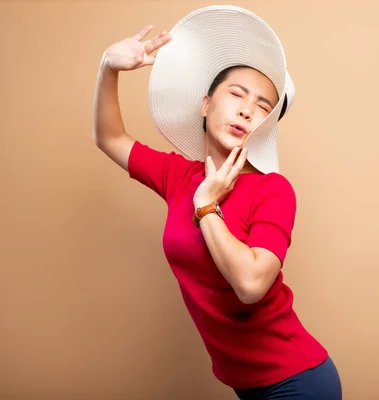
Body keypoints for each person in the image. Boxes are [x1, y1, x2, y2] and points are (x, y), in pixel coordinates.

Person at [92, 6, 342, 399]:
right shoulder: (178, 176)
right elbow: (110, 138)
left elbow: (250, 285)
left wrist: (207, 206)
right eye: (237, 94)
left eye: (263, 106)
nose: (247, 109)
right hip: (247, 385)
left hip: (297, 381)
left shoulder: (273, 190)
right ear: (206, 104)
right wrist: (108, 68)